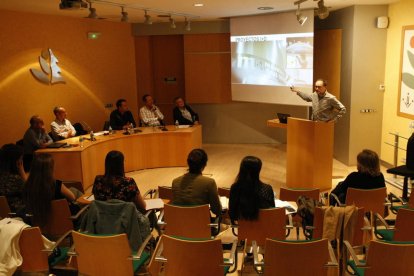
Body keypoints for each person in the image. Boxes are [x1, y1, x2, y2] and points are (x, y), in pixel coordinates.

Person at [24, 153, 77, 227]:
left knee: (73, 190)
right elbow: (72, 197)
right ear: (50, 168)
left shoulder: (28, 186)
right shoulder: (56, 185)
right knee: (75, 193)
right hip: (63, 223)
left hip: (39, 227)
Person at [171, 148, 222, 217]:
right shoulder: (209, 183)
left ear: (188, 163)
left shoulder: (175, 182)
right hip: (201, 225)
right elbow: (216, 210)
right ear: (204, 165)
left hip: (178, 225)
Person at [228, 156, 275, 222]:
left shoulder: (235, 188)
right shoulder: (267, 189)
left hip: (244, 231)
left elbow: (232, 215)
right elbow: (272, 213)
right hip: (265, 230)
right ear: (258, 170)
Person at [0, 144, 27, 215]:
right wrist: (22, 171)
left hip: (3, 214)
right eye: (21, 159)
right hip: (18, 213)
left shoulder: (3, 175)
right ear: (17, 162)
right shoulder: (15, 179)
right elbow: (30, 192)